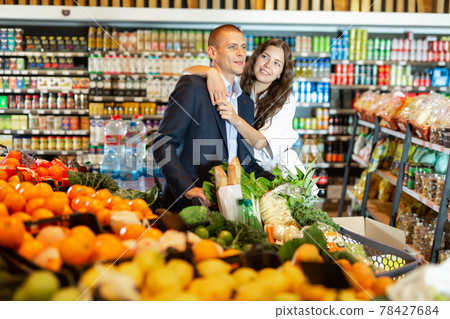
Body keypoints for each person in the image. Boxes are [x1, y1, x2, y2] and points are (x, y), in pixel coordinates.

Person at [153, 24, 273, 211]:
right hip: (189, 205)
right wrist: (188, 189)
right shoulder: (193, 86)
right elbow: (163, 143)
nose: (240, 53)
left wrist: (275, 183)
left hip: (228, 207)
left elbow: (242, 158)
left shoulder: (245, 103)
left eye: (243, 47)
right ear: (212, 52)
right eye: (232, 47)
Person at [183, 38, 305, 174]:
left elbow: (260, 143)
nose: (268, 65)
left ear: (281, 74)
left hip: (275, 171)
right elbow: (186, 72)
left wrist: (234, 118)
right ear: (256, 57)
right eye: (265, 57)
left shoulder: (286, 100)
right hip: (242, 166)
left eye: (277, 63)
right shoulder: (236, 82)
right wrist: (210, 72)